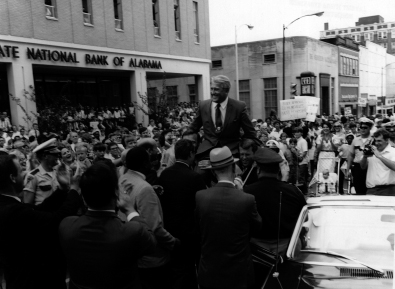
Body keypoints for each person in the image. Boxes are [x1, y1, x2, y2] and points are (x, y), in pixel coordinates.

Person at [59, 163, 157, 289]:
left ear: (83, 198)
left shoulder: (66, 226)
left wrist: (72, 189)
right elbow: (152, 244)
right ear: (116, 194)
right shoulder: (132, 231)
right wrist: (129, 209)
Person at [0, 154, 82, 289]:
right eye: (21, 171)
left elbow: (39, 209)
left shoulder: (8, 203)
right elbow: (56, 219)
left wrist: (62, 190)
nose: (25, 173)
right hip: (35, 280)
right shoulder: (12, 211)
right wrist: (74, 190)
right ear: (12, 178)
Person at [195, 146, 262, 289]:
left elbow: (198, 229)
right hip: (239, 273)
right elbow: (258, 227)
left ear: (213, 171)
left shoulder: (200, 197)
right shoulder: (247, 199)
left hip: (210, 272)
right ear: (233, 167)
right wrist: (241, 192)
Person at [243, 147, 306, 288]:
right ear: (278, 170)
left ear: (258, 170)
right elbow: (304, 220)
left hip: (256, 251)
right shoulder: (294, 191)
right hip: (287, 250)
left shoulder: (247, 192)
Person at [119, 147, 179, 289]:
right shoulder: (145, 189)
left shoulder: (123, 179)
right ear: (146, 164)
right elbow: (154, 228)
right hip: (152, 260)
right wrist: (173, 243)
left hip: (132, 255)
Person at [157, 139, 206, 289]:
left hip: (169, 229)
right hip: (189, 232)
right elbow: (200, 206)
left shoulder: (165, 174)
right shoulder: (195, 177)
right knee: (189, 270)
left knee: (176, 270)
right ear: (191, 154)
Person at [189, 75, 259, 158]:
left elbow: (250, 133)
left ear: (226, 91)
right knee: (199, 170)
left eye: (216, 89)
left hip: (231, 152)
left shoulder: (239, 107)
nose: (212, 92)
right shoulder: (203, 105)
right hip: (207, 152)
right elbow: (193, 128)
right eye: (211, 89)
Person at [23, 138, 62, 205]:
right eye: (54, 154)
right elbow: (27, 204)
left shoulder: (59, 172)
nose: (58, 156)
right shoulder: (33, 176)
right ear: (45, 156)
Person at [360, 129, 395, 196]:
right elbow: (362, 167)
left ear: (387, 140)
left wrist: (379, 156)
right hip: (371, 190)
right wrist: (365, 157)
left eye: (379, 141)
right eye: (375, 141)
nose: (376, 143)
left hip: (389, 189)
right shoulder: (370, 150)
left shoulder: (393, 151)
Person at [346, 117, 374, 195]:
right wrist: (348, 170)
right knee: (358, 189)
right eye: (361, 127)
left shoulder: (373, 140)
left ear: (370, 128)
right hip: (357, 168)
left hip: (370, 167)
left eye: (365, 127)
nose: (362, 129)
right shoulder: (355, 140)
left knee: (369, 188)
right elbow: (351, 155)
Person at [293, 127, 309, 194]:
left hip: (302, 161)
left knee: (301, 177)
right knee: (297, 177)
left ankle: (304, 191)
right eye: (295, 132)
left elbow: (305, 151)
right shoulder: (294, 140)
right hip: (296, 161)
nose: (296, 133)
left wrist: (301, 157)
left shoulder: (303, 141)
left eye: (298, 132)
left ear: (301, 133)